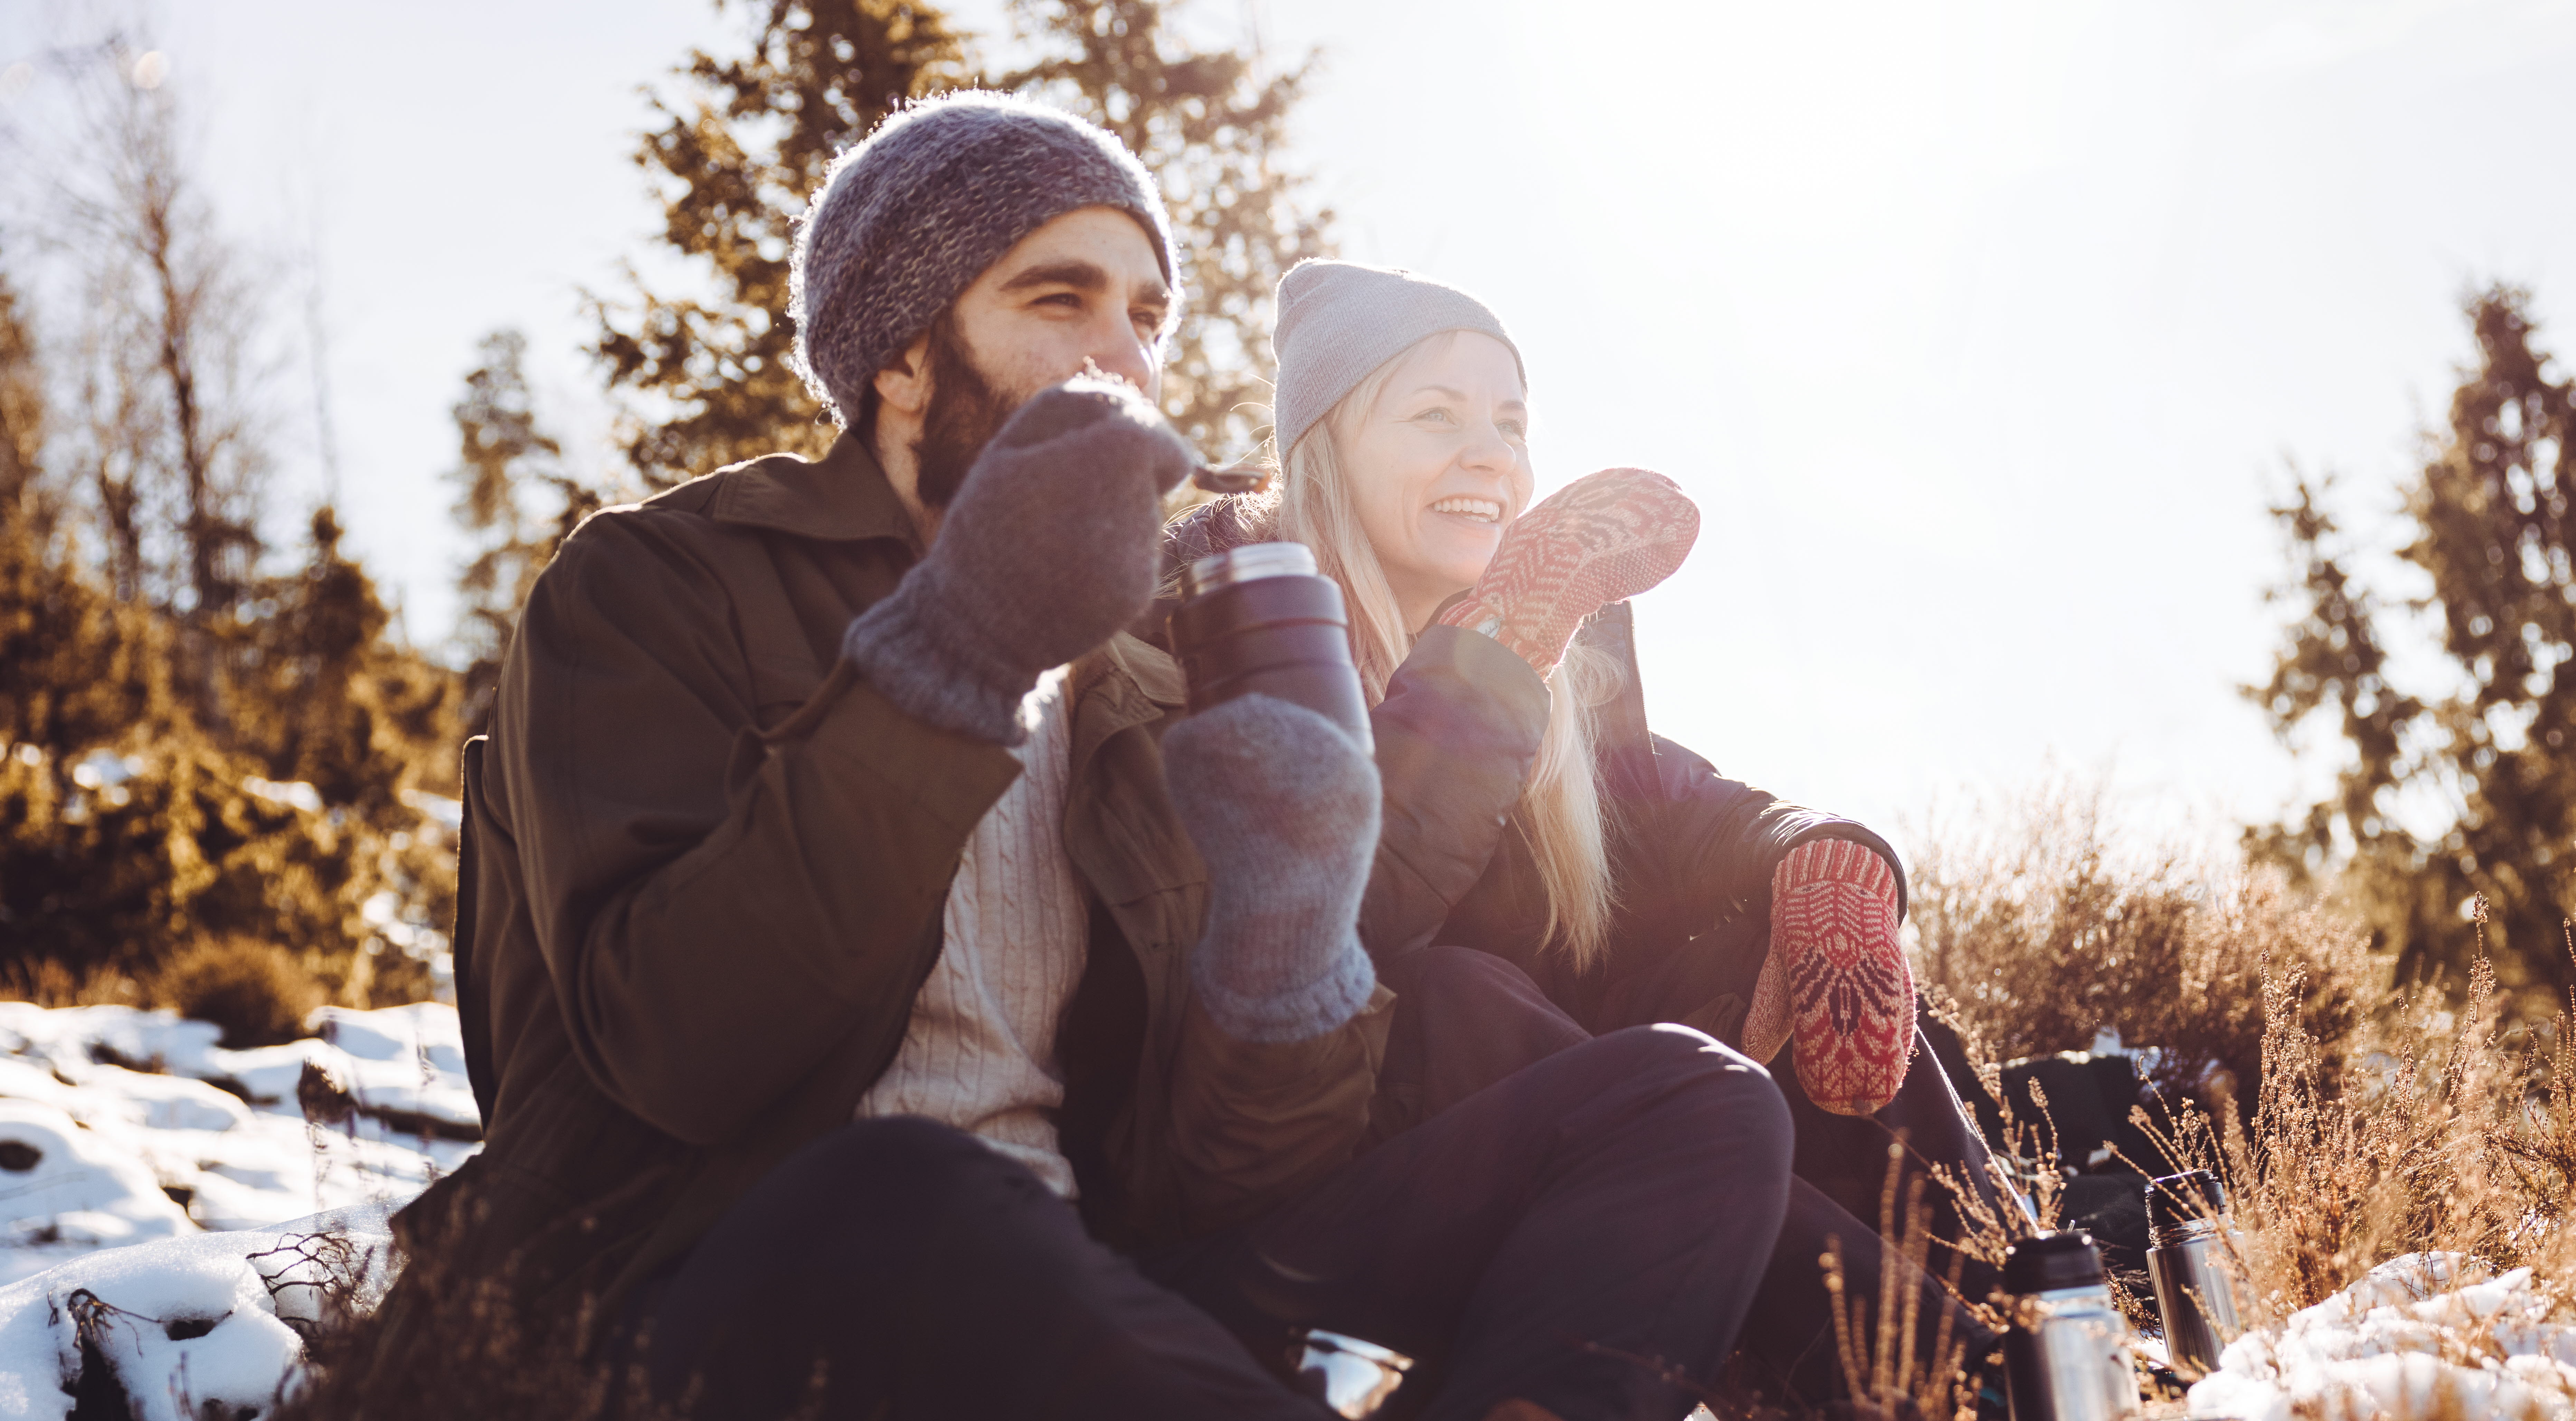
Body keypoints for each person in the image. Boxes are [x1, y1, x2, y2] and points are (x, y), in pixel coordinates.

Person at [361, 96, 1797, 1421]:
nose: (1123, 354)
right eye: (1059, 298)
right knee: (918, 1190)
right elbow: (682, 1054)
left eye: (1148, 314)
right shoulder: (658, 584)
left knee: (1690, 1102)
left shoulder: (1126, 669)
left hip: (1090, 1288)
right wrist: (959, 649)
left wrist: (1283, 932)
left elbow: (1222, 1177)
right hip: (720, 1292)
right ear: (902, 353)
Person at [1163, 260, 2016, 1405]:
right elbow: (1336, 935)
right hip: (1315, 1186)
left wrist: (1819, 854)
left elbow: (1665, 803)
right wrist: (1497, 654)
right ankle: (1968, 1385)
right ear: (1324, 444)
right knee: (1461, 997)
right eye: (1435, 415)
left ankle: (2036, 1312)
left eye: (1510, 422)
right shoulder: (1230, 627)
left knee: (1790, 954)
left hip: (1571, 1134)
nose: (1492, 455)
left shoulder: (1552, 647)